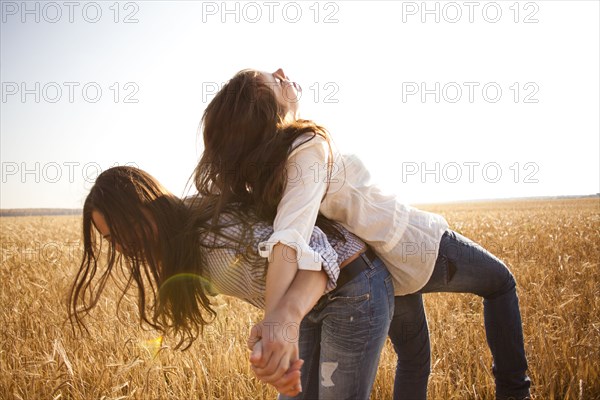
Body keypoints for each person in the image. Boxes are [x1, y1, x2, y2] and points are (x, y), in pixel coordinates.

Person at [194, 68, 532, 400]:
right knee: (501, 283)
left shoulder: (271, 172)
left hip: (377, 270)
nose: (282, 72)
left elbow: (287, 236)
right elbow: (289, 238)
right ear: (266, 108)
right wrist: (275, 324)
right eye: (274, 79)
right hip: (414, 246)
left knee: (413, 358)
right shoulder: (307, 144)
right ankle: (516, 393)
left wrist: (273, 320)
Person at [68, 166, 394, 399]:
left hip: (355, 286)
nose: (122, 247)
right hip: (312, 299)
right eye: (111, 240)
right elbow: (269, 274)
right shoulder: (179, 243)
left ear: (144, 206)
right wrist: (272, 320)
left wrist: (284, 317)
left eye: (124, 230)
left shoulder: (215, 238)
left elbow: (317, 250)